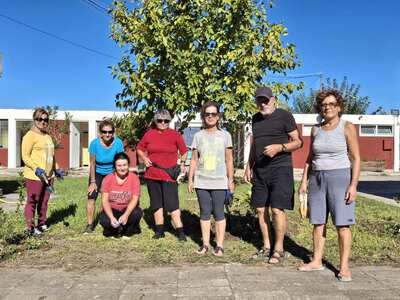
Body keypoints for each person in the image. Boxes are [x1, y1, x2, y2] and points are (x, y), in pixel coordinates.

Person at [298, 89, 360, 282]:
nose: (327, 107)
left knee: (342, 224)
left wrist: (353, 185)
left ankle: (344, 267)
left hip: (340, 178)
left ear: (338, 107)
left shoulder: (347, 127)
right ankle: (316, 261)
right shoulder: (315, 129)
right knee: (318, 222)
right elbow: (310, 158)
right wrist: (303, 181)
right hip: (317, 178)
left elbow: (356, 158)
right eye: (324, 105)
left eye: (332, 104)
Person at [244, 86, 302, 264]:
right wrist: (249, 165)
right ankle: (267, 246)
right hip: (260, 171)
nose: (263, 104)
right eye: (259, 100)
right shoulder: (255, 119)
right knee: (261, 210)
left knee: (277, 210)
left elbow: (298, 141)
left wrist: (280, 147)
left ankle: (279, 249)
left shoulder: (284, 116)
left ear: (273, 99)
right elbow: (255, 144)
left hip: (280, 169)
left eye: (266, 100)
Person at [188, 102, 234, 256]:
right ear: (203, 116)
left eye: (214, 114)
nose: (210, 116)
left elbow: (229, 160)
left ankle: (219, 246)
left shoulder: (225, 135)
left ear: (218, 116)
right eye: (207, 114)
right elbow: (194, 160)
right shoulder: (198, 136)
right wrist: (190, 179)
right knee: (204, 213)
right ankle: (206, 244)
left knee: (219, 213)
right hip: (201, 181)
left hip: (220, 181)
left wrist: (231, 180)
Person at [137, 110, 188, 241]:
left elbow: (184, 151)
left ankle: (180, 232)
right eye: (160, 120)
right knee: (156, 204)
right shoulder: (149, 134)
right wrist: (144, 157)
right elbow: (139, 148)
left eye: (166, 121)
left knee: (173, 205)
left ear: (169, 121)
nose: (163, 123)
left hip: (168, 175)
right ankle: (159, 231)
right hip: (152, 175)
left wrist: (182, 163)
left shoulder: (175, 134)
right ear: (155, 121)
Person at [22, 108, 64, 236]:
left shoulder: (47, 136)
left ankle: (42, 223)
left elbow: (52, 154)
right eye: (40, 119)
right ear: (34, 120)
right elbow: (25, 156)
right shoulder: (29, 136)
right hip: (35, 176)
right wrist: (36, 169)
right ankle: (30, 228)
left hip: (48, 175)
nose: (43, 122)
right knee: (33, 201)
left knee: (44, 201)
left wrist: (56, 169)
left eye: (46, 120)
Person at [84, 119, 124, 234]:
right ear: (100, 132)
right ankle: (90, 225)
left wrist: (119, 178)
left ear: (113, 132)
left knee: (109, 199)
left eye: (110, 132)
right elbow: (92, 163)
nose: (107, 134)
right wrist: (92, 181)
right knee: (91, 197)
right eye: (104, 132)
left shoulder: (118, 143)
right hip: (97, 173)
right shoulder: (94, 144)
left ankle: (110, 223)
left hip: (112, 172)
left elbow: (120, 162)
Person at [99, 152, 142, 238]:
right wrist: (111, 217)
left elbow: (135, 199)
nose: (122, 168)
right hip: (113, 209)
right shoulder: (108, 178)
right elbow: (104, 200)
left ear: (128, 165)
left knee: (137, 213)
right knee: (104, 220)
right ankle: (114, 229)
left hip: (127, 209)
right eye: (119, 165)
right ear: (115, 166)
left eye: (124, 165)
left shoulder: (134, 178)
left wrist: (126, 215)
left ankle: (127, 231)